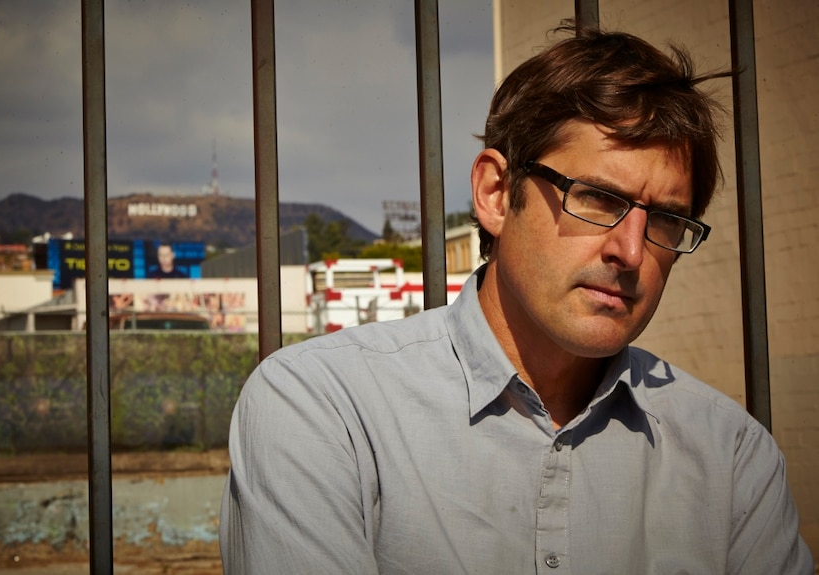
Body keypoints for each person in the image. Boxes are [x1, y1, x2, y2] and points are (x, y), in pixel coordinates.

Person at [220, 23, 814, 574]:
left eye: (665, 219)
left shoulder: (731, 458)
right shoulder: (325, 409)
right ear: (496, 193)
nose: (631, 252)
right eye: (599, 199)